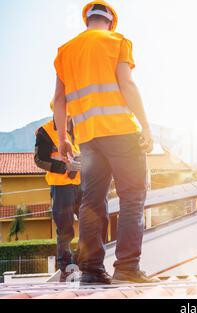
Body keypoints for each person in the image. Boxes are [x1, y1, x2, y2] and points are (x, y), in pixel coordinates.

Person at [53, 1, 154, 284]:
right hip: (121, 131)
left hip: (87, 138)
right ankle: (127, 268)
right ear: (110, 22)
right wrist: (145, 125)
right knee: (132, 196)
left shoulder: (65, 51)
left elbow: (59, 100)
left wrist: (63, 139)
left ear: (87, 20)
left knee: (92, 202)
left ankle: (92, 270)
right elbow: (127, 84)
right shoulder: (118, 41)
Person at [34, 101, 81, 282]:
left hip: (82, 183)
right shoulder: (45, 131)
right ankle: (67, 269)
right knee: (65, 229)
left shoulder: (80, 130)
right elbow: (39, 159)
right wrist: (64, 168)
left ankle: (80, 262)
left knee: (90, 224)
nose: (67, 115)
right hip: (60, 186)